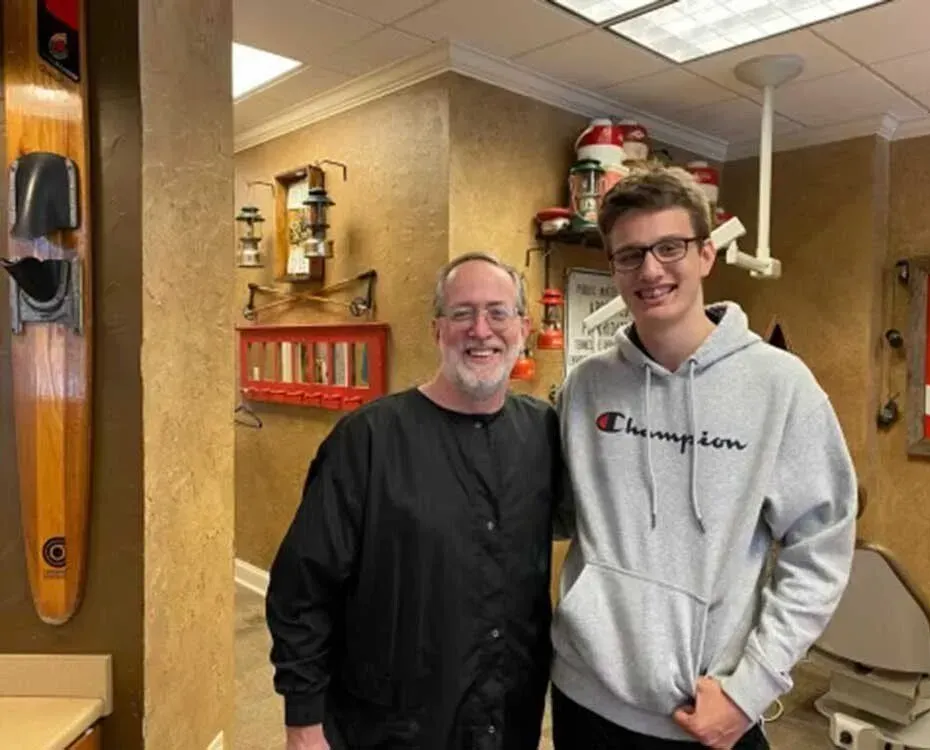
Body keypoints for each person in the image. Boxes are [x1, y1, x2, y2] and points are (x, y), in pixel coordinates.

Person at [550, 165, 857, 750]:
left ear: (706, 254)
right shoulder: (585, 387)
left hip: (706, 707)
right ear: (612, 267)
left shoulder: (779, 385)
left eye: (670, 248)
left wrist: (751, 690)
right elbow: (558, 512)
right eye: (630, 255)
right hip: (584, 696)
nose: (650, 270)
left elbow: (820, 552)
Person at [265, 252, 571, 750]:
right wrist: (303, 720)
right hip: (391, 728)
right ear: (436, 330)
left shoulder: (542, 433)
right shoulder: (368, 440)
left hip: (508, 717)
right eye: (461, 313)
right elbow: (301, 589)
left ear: (523, 327)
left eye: (497, 312)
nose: (480, 329)